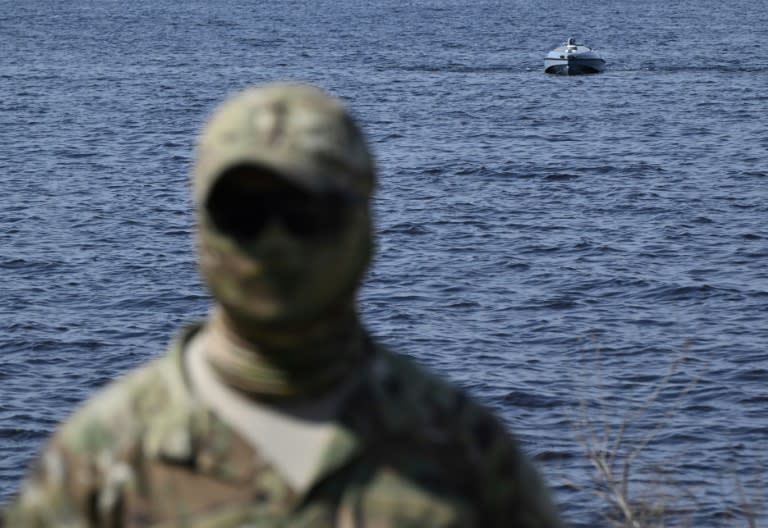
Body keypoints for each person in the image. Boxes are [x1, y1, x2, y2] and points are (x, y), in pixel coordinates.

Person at [2, 83, 563, 527]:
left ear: (364, 231)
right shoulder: (101, 462)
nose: (275, 245)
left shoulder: (464, 454)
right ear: (200, 234)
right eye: (243, 214)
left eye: (306, 214)